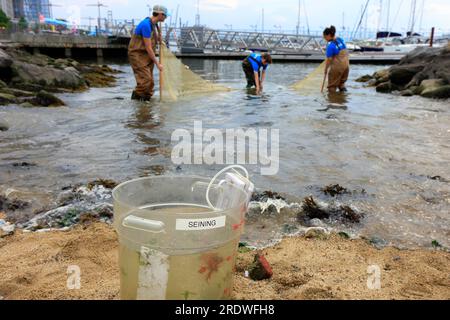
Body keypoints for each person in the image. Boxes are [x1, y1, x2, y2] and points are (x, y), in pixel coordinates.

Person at [128, 5, 170, 101]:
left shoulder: (155, 24)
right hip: (137, 55)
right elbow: (148, 48)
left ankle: (146, 106)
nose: (165, 17)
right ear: (159, 14)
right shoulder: (146, 25)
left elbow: (155, 39)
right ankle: (135, 104)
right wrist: (158, 64)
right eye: (165, 15)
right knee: (146, 80)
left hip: (147, 56)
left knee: (150, 83)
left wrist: (160, 40)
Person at [323, 26, 350, 93]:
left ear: (329, 35)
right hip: (346, 66)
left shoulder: (331, 46)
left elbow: (329, 60)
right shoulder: (341, 39)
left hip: (337, 68)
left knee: (332, 87)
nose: (324, 38)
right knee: (341, 84)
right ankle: (343, 100)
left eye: (325, 37)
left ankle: (332, 102)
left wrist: (326, 69)